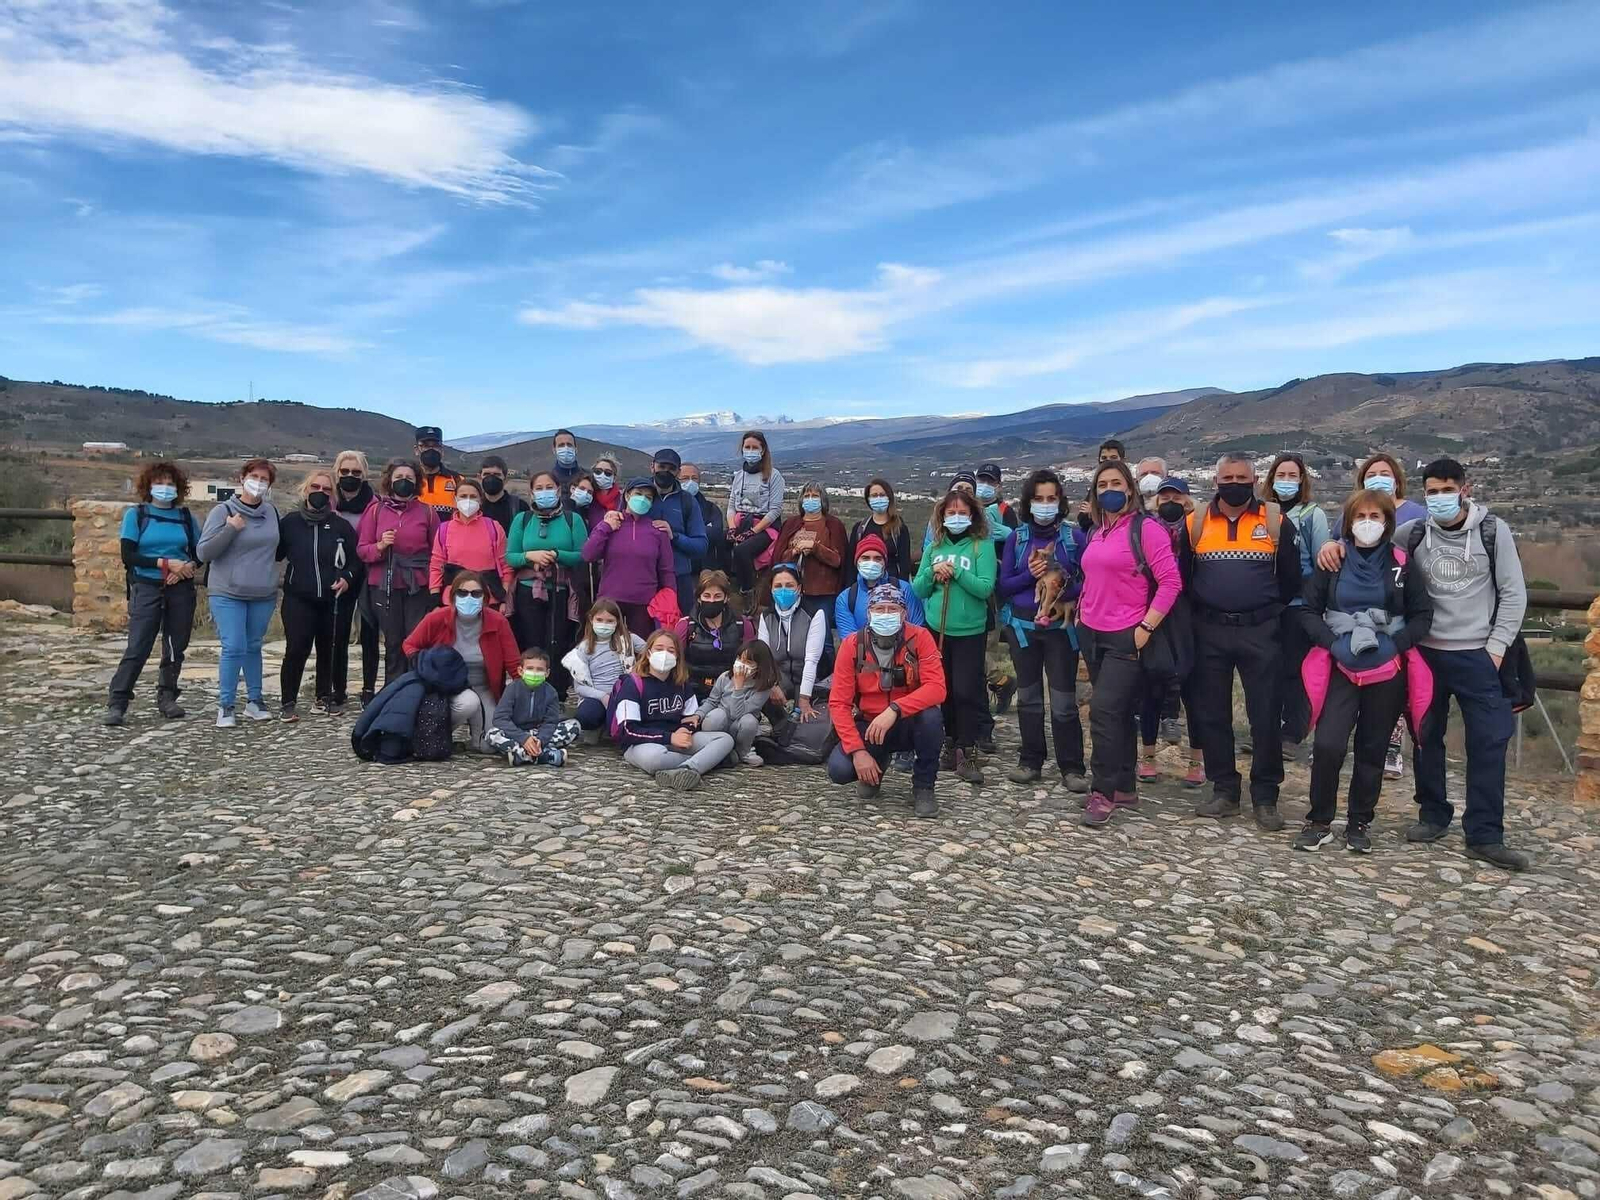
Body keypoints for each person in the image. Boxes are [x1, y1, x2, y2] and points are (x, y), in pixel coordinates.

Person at [1316, 457, 1529, 870]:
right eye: (1432, 491)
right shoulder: (1412, 533)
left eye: (1447, 490)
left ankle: (1485, 834)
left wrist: (1497, 648)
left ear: (1465, 490)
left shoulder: (1492, 531)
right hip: (1425, 653)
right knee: (1426, 738)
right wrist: (1331, 544)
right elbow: (1366, 545)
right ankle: (1433, 815)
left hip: (1478, 653)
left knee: (1487, 742)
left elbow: (1513, 593)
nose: (1439, 498)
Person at [1296, 489, 1433, 853]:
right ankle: (1320, 819)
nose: (1367, 523)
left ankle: (1359, 822)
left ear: (1388, 522)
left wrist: (1396, 644)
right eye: (1361, 516)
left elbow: (1423, 615)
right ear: (1349, 520)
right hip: (1342, 665)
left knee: (1372, 749)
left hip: (1387, 669)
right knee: (1327, 744)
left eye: (1376, 516)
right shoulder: (1333, 562)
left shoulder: (1403, 564)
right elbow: (1308, 610)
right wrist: (1329, 642)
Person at [1186, 452, 1302, 830]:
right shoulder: (1196, 523)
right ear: (1216, 481)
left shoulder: (1275, 521)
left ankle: (1266, 797)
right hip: (1210, 630)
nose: (1234, 484)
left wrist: (1262, 609)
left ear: (1254, 481)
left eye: (1242, 477)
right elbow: (1184, 577)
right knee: (1212, 713)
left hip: (1261, 629)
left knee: (1266, 715)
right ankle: (1224, 791)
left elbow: (1290, 582)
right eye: (1227, 477)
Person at [1076, 460, 1181, 827]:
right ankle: (1123, 785)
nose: (1109, 490)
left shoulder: (1146, 529)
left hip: (1128, 634)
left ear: (1131, 488)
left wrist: (1146, 627)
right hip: (1092, 631)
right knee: (1117, 713)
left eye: (1116, 483)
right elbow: (1091, 575)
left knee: (1103, 712)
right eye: (1102, 483)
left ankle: (1102, 791)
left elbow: (1171, 582)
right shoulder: (1097, 531)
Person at [995, 468, 1088, 792]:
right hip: (1023, 628)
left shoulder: (1074, 538)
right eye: (1039, 499)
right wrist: (1030, 575)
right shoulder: (1016, 539)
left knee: (1064, 701)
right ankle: (1030, 760)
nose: (1045, 505)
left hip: (1061, 632)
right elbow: (1004, 585)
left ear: (1060, 502)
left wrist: (1059, 580)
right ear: (1029, 502)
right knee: (1029, 697)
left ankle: (1072, 767)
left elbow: (1088, 583)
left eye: (1051, 499)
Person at [1341, 451, 1428, 779]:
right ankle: (1339, 742)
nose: (1378, 477)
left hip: (1399, 608)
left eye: (1384, 472)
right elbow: (1340, 543)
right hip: (1356, 612)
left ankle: (1391, 750)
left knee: (1399, 687)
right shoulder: (1353, 510)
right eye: (1371, 473)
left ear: (1397, 478)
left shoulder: (1417, 513)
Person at [826, 584, 947, 817]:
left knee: (932, 717)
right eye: (879, 608)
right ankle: (876, 764)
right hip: (870, 724)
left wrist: (895, 709)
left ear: (904, 614)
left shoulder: (921, 637)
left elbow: (937, 688)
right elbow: (839, 704)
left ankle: (924, 786)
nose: (886, 614)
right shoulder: (852, 645)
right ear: (869, 613)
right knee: (839, 770)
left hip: (909, 721)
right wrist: (858, 752)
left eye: (893, 609)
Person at [105, 460, 201, 725]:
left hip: (180, 588)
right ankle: (118, 701)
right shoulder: (136, 515)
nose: (165, 488)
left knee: (174, 646)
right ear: (148, 486)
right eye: (160, 483)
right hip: (146, 586)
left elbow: (198, 552)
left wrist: (186, 568)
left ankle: (167, 697)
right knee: (138, 645)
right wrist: (164, 563)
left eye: (170, 484)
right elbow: (129, 555)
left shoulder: (185, 517)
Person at [913, 488, 997, 785]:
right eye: (951, 513)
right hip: (938, 629)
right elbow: (919, 588)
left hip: (970, 630)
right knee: (942, 689)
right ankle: (949, 743)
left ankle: (968, 747)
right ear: (942, 516)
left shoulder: (981, 546)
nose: (957, 517)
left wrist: (958, 574)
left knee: (966, 690)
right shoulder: (934, 546)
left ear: (972, 515)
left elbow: (985, 588)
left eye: (962, 512)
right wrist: (933, 573)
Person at [198, 458, 283, 727]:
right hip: (227, 592)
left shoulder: (272, 513)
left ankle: (255, 701)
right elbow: (204, 552)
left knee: (254, 646)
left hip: (262, 593)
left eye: (264, 479)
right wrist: (230, 529)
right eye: (254, 477)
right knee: (233, 646)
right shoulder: (222, 511)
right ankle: (226, 705)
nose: (258, 483)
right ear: (242, 478)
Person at [401, 570, 520, 752]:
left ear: (486, 598)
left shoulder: (498, 622)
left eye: (476, 593)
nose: (469, 598)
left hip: (484, 688)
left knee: (488, 746)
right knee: (468, 702)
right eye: (462, 593)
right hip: (447, 688)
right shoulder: (436, 618)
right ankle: (434, 734)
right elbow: (409, 645)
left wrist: (528, 689)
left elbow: (514, 663)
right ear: (453, 596)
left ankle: (474, 736)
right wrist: (426, 666)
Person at [276, 470, 359, 721]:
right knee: (296, 648)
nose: (320, 493)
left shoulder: (340, 526)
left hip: (331, 599)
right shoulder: (289, 523)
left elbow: (356, 562)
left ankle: (324, 697)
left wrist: (347, 579)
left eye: (326, 489)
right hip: (298, 598)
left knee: (329, 649)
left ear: (332, 495)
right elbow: (273, 553)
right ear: (305, 489)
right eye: (316, 487)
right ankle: (288, 701)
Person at [610, 629, 734, 791]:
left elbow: (691, 718)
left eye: (671, 650)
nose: (664, 654)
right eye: (659, 649)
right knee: (656, 760)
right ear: (648, 653)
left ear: (677, 657)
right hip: (643, 743)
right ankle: (711, 761)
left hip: (678, 740)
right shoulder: (633, 684)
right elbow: (628, 730)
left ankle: (687, 770)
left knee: (724, 739)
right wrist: (669, 737)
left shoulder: (681, 683)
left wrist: (685, 729)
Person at [357, 458, 441, 687]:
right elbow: (362, 550)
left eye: (409, 479)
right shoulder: (375, 511)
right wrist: (380, 547)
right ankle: (392, 693)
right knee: (393, 643)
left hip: (418, 585)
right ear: (389, 481)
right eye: (399, 478)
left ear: (417, 483)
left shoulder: (428, 512)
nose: (404, 482)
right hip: (384, 584)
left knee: (415, 641)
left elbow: (437, 552)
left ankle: (416, 691)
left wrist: (435, 586)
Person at [1143, 477, 1204, 787]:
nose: (1170, 502)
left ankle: (1196, 761)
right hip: (1155, 611)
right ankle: (1149, 756)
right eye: (1165, 496)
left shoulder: (1198, 529)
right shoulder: (1147, 529)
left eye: (1177, 496)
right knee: (1152, 684)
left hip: (1192, 613)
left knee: (1194, 688)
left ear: (1187, 500)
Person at [1266, 452, 1330, 749]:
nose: (1287, 481)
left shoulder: (1311, 514)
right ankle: (1268, 729)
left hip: (1298, 604)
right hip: (1267, 603)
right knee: (1269, 669)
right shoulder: (1264, 512)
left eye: (1293, 476)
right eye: (1281, 475)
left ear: (1302, 479)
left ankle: (1294, 733)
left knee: (1294, 668)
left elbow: (1321, 562)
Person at [505, 470, 586, 693]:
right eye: (539, 488)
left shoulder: (573, 520)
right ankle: (527, 691)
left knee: (558, 643)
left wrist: (557, 554)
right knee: (531, 642)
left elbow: (583, 554)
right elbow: (510, 555)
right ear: (531, 493)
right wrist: (529, 556)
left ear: (559, 490)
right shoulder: (522, 520)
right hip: (527, 593)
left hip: (560, 592)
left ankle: (556, 694)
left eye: (549, 487)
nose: (544, 492)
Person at [583, 477, 676, 634]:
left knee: (640, 650)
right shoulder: (610, 524)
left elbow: (666, 569)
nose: (642, 499)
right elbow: (588, 555)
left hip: (644, 604)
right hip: (609, 601)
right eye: (638, 493)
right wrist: (605, 527)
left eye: (648, 497)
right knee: (606, 649)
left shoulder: (657, 531)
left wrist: (670, 599)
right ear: (627, 496)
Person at [331, 450, 381, 709]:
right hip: (338, 575)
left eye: (356, 472)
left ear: (365, 475)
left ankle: (368, 688)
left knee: (369, 634)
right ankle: (337, 688)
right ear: (337, 473)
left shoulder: (375, 504)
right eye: (345, 472)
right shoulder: (329, 501)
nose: (350, 476)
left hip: (368, 573)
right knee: (338, 632)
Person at [564, 599, 645, 741]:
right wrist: (602, 696)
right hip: (597, 696)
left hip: (624, 693)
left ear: (617, 622)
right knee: (587, 715)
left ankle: (616, 727)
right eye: (599, 620)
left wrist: (639, 668)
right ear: (591, 619)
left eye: (610, 621)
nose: (604, 625)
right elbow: (579, 686)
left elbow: (650, 650)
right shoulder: (584, 648)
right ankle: (597, 726)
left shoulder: (628, 639)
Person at [755, 562, 829, 718]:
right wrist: (772, 686)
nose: (783, 590)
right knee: (760, 693)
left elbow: (812, 660)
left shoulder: (815, 614)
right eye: (778, 586)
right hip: (782, 679)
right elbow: (764, 657)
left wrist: (804, 699)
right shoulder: (766, 617)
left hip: (812, 679)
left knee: (809, 718)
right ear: (771, 589)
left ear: (799, 588)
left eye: (789, 585)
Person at [486, 647, 583, 766]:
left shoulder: (551, 692)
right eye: (530, 668)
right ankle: (544, 756)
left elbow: (550, 722)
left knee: (574, 726)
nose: (534, 673)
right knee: (492, 734)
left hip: (539, 734)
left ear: (547, 673)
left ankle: (522, 755)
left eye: (539, 669)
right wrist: (523, 738)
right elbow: (500, 718)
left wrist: (540, 740)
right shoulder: (512, 689)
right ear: (521, 671)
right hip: (517, 733)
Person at [430, 478, 513, 608]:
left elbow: (506, 566)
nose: (468, 500)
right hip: (453, 600)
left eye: (473, 496)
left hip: (488, 600)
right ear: (455, 499)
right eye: (463, 496)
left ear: (480, 500)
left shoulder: (494, 527)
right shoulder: (443, 530)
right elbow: (436, 566)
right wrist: (434, 601)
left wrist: (504, 599)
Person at [772, 481, 847, 624]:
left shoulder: (833, 525)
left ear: (822, 500)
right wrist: (794, 551)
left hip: (823, 592)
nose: (810, 499)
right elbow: (779, 558)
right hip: (793, 590)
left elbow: (838, 560)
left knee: (823, 636)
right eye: (807, 496)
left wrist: (815, 548)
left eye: (815, 496)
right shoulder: (791, 524)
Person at [694, 639, 777, 768]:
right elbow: (712, 701)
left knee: (749, 721)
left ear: (759, 665)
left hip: (739, 725)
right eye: (739, 659)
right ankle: (710, 747)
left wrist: (739, 687)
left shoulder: (762, 687)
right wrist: (698, 715)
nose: (742, 665)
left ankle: (743, 752)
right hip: (721, 722)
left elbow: (738, 713)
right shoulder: (725, 677)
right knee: (716, 715)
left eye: (748, 662)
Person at [675, 570, 754, 698]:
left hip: (732, 690)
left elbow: (752, 661)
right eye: (707, 596)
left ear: (726, 598)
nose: (711, 601)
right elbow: (676, 661)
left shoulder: (743, 624)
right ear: (699, 598)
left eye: (717, 596)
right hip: (695, 692)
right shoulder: (686, 626)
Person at [648, 448, 709, 612]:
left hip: (678, 578)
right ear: (652, 466)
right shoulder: (637, 495)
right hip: (643, 576)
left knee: (679, 629)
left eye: (671, 468)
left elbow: (701, 545)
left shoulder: (687, 502)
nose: (665, 472)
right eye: (662, 466)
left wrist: (674, 537)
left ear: (678, 471)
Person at [727, 430, 785, 599]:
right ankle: (727, 582)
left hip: (765, 527)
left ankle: (748, 590)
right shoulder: (738, 476)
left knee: (742, 550)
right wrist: (731, 528)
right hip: (741, 521)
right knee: (720, 540)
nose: (750, 451)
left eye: (755, 447)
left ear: (763, 450)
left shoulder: (774, 476)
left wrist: (753, 531)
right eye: (747, 447)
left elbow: (775, 510)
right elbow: (731, 506)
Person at [835, 534, 924, 636]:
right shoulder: (846, 598)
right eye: (865, 558)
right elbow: (849, 640)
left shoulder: (904, 589)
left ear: (884, 563)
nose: (871, 563)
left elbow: (917, 630)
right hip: (863, 651)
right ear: (857, 562)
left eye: (877, 558)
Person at [845, 478, 913, 586]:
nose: (878, 498)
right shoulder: (860, 528)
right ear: (868, 499)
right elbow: (850, 564)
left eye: (882, 495)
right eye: (874, 495)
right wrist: (850, 588)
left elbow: (904, 564)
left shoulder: (899, 528)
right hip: (863, 586)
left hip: (891, 586)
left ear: (889, 498)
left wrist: (901, 589)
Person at [680, 462, 729, 576]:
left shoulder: (711, 509)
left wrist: (682, 533)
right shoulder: (669, 507)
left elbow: (714, 534)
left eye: (694, 478)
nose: (690, 482)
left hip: (705, 569)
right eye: (685, 478)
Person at [413, 425, 462, 517]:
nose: (431, 450)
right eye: (426, 446)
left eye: (436, 446)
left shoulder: (458, 480)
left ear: (442, 450)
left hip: (448, 531)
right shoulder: (409, 479)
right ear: (416, 450)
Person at [478, 455, 529, 534]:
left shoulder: (520, 506)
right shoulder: (475, 507)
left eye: (497, 475)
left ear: (505, 479)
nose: (491, 478)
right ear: (479, 478)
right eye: (486, 474)